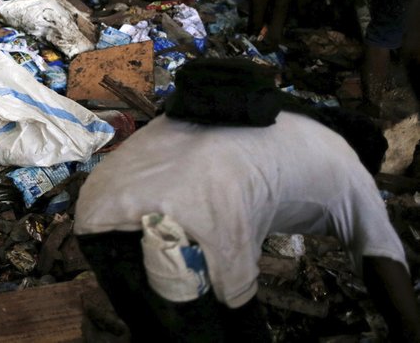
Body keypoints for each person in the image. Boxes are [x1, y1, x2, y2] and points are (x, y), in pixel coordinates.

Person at [74, 58, 420, 342]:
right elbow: (385, 264)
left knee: (156, 325)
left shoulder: (277, 115)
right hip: (181, 232)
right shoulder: (351, 172)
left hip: (96, 207)